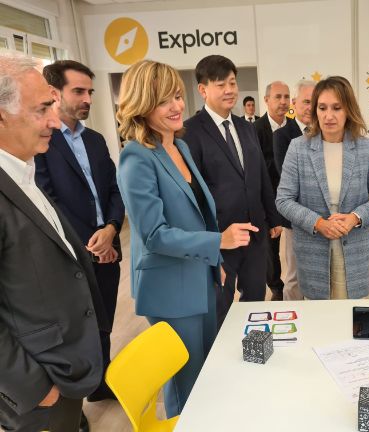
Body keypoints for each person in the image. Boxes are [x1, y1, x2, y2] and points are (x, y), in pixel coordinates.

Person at [116, 60, 255, 418]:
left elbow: (200, 216)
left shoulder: (179, 147)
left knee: (206, 372)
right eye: (164, 101)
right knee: (187, 385)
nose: (177, 106)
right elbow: (154, 235)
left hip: (200, 278)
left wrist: (215, 263)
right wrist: (217, 244)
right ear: (142, 105)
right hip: (171, 291)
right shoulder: (136, 157)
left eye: (178, 96)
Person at [0, 53, 107, 432]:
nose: (53, 121)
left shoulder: (23, 171)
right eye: (42, 109)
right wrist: (34, 388)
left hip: (66, 366)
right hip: (39, 390)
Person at [35, 60, 125, 405]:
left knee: (104, 321)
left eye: (90, 91)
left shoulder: (97, 140)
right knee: (78, 329)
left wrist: (112, 228)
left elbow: (114, 191)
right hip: (73, 253)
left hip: (108, 246)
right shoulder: (44, 143)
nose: (88, 98)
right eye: (79, 91)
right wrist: (91, 243)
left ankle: (101, 383)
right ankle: (77, 399)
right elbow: (48, 200)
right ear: (54, 93)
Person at [182, 55, 282, 327]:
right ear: (203, 90)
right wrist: (208, 238)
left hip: (254, 233)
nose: (229, 90)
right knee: (220, 305)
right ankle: (222, 361)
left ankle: (253, 353)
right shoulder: (190, 132)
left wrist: (272, 217)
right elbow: (193, 192)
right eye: (220, 84)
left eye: (232, 83)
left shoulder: (245, 127)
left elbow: (260, 174)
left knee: (255, 301)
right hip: (220, 238)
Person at [276, 76, 369, 299]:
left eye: (337, 108)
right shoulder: (298, 148)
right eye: (322, 107)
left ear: (348, 109)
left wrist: (355, 217)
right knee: (318, 319)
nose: (328, 116)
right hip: (313, 247)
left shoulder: (365, 148)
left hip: (354, 244)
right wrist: (318, 223)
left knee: (350, 318)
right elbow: (283, 200)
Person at [273, 79, 316, 300]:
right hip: (295, 220)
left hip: (323, 221)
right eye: (306, 101)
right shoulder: (282, 136)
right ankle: (295, 323)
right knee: (293, 278)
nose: (311, 107)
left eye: (314, 102)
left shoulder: (325, 134)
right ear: (295, 102)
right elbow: (288, 178)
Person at [254, 81, 291, 301]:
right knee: (271, 249)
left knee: (297, 248)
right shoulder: (254, 131)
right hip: (268, 200)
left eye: (286, 97)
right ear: (266, 99)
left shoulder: (295, 129)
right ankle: (276, 288)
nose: (283, 102)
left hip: (295, 199)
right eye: (277, 97)